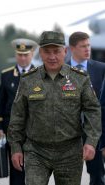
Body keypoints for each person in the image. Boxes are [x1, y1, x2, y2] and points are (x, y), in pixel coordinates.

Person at [7, 31, 102, 185]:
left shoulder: (80, 78)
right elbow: (18, 115)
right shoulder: (28, 80)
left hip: (70, 152)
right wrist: (16, 147)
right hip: (36, 151)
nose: (52, 57)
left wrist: (91, 141)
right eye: (47, 52)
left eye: (56, 51)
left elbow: (93, 109)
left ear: (65, 51)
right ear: (40, 53)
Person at [0, 38, 37, 185]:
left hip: (34, 129)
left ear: (32, 54)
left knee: (34, 169)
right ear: (16, 55)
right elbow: (1, 101)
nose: (23, 58)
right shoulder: (6, 75)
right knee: (16, 168)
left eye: (26, 55)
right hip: (12, 129)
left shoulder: (39, 74)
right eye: (20, 54)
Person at [67, 31, 105, 185]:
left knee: (97, 177)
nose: (87, 49)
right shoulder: (61, 70)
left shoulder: (101, 69)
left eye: (88, 45)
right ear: (72, 48)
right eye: (83, 46)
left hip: (94, 134)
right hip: (68, 135)